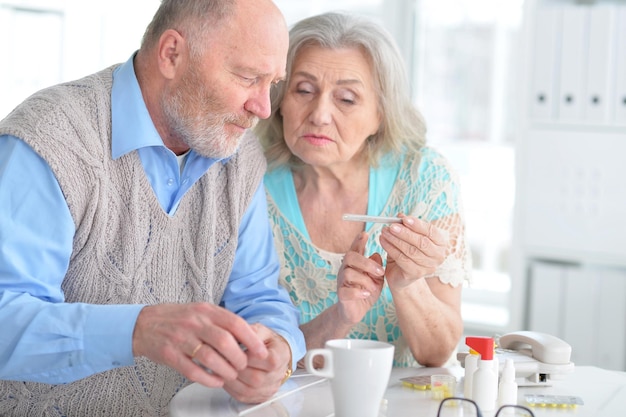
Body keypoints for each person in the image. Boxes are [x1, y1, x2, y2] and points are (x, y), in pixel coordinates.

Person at [0, 0, 305, 415]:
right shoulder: (49, 141)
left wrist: (278, 348)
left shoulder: (239, 154)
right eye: (248, 77)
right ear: (172, 54)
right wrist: (138, 331)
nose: (263, 108)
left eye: (271, 84)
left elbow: (258, 294)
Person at [256, 12, 472, 369]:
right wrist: (341, 316)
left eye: (347, 98)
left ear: (380, 115)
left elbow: (437, 353)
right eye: (304, 90)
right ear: (279, 100)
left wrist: (407, 284)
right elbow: (255, 355)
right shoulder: (251, 187)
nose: (320, 114)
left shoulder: (426, 179)